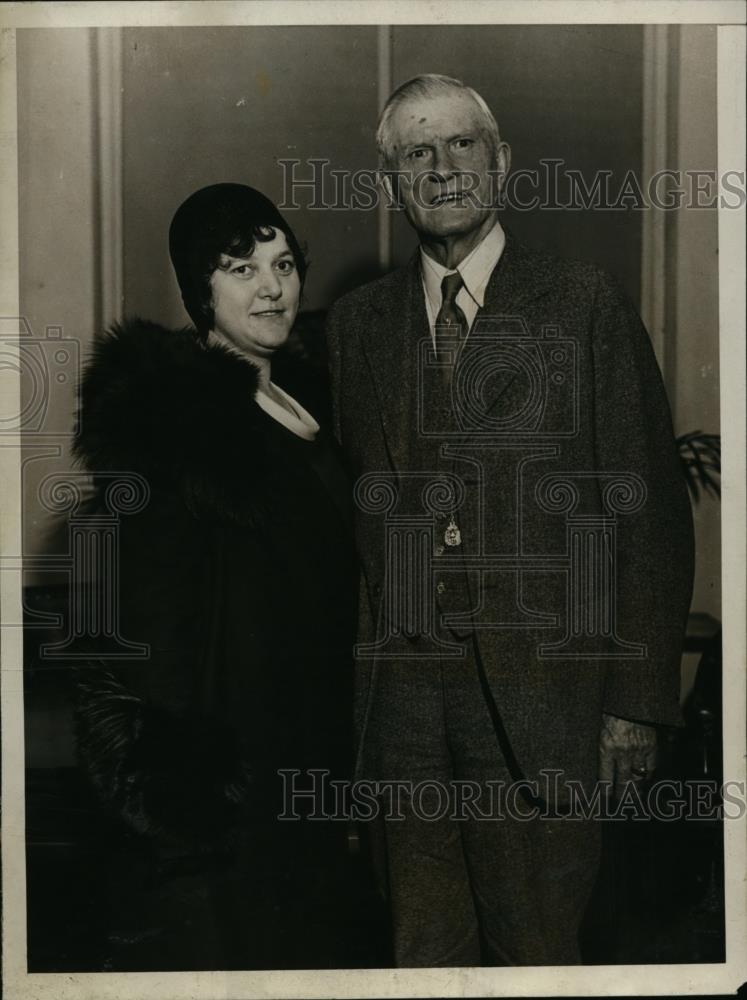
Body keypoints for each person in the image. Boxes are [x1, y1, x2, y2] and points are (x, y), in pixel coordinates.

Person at [325, 74, 695, 967]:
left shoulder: (582, 302)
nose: (442, 169)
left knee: (535, 951)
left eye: (461, 145)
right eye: (417, 152)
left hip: (546, 708)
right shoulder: (354, 326)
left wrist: (634, 707)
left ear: (502, 163)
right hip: (404, 714)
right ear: (391, 182)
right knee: (421, 951)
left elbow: (642, 509)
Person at [72, 183, 358, 970]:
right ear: (200, 289)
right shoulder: (177, 424)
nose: (273, 287)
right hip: (237, 775)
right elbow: (154, 633)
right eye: (241, 268)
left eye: (284, 262)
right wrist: (191, 800)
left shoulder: (301, 403)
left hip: (310, 748)